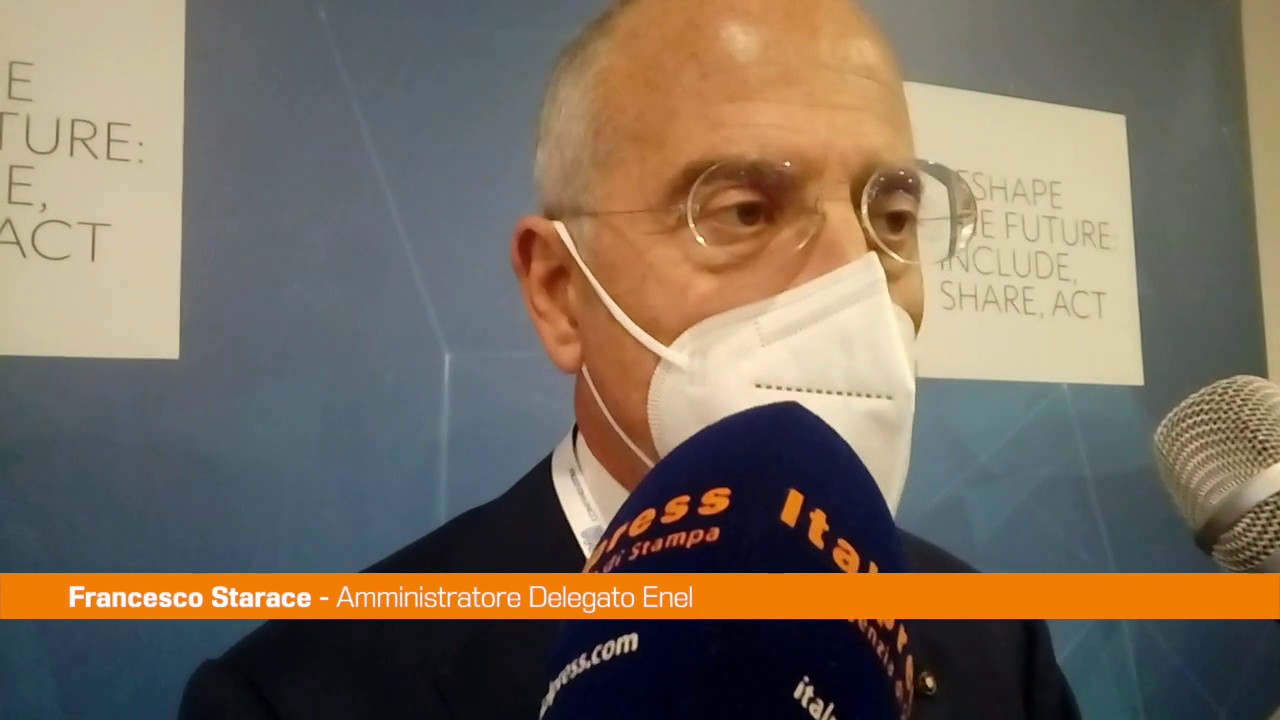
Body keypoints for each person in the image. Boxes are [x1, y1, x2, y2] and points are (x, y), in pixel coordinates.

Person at [179, 0, 1081, 718]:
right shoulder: (305, 694)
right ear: (559, 291)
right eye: (745, 211)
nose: (857, 280)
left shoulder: (996, 648)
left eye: (892, 217)